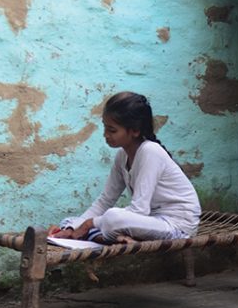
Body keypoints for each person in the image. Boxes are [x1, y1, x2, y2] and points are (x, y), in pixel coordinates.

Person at [50, 92, 201, 244]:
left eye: (112, 130)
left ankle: (104, 236)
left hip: (176, 227)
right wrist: (72, 228)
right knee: (69, 221)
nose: (105, 135)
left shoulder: (150, 151)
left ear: (135, 130)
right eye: (105, 127)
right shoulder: (122, 156)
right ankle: (114, 238)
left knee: (112, 218)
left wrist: (89, 224)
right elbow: (105, 201)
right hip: (150, 221)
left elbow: (139, 210)